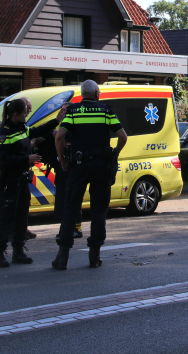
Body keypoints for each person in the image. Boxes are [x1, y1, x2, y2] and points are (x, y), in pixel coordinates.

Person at [52, 80, 128, 270]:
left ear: (83, 94)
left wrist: (61, 159)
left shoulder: (73, 112)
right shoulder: (106, 111)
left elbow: (59, 136)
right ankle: (94, 257)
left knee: (70, 208)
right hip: (101, 165)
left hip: (78, 166)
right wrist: (115, 154)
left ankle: (62, 258)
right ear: (96, 93)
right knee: (99, 209)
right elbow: (122, 136)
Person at [0, 98, 66, 267]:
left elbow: (36, 130)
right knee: (6, 219)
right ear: (15, 114)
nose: (27, 115)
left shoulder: (21, 128)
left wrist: (56, 121)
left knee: (22, 218)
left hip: (22, 180)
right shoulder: (4, 132)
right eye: (25, 113)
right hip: (9, 181)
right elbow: (4, 159)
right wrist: (27, 158)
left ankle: (18, 251)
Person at [36, 103, 83, 240]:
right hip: (61, 168)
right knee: (63, 198)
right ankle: (66, 228)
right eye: (61, 110)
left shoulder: (73, 127)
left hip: (70, 166)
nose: (61, 113)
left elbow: (69, 144)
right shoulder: (63, 127)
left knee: (73, 197)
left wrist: (59, 137)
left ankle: (76, 229)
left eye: (64, 110)